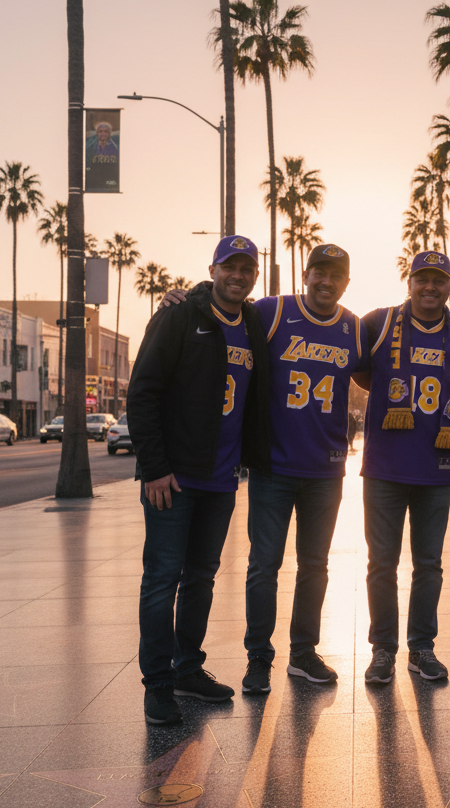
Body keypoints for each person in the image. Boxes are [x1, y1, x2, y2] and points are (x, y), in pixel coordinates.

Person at [161, 243, 366, 694]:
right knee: (263, 565)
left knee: (315, 565)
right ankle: (259, 657)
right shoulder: (271, 313)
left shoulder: (354, 328)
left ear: (346, 282)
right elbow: (223, 301)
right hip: (273, 467)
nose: (326, 282)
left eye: (336, 275)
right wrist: (186, 292)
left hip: (327, 470)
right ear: (305, 274)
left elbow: (383, 370)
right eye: (319, 273)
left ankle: (303, 652)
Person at [128, 234, 270, 725]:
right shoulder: (179, 315)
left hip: (222, 478)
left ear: (255, 276)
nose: (237, 275)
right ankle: (158, 684)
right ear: (212, 270)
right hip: (174, 478)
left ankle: (188, 668)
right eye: (229, 266)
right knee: (162, 579)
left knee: (201, 579)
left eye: (246, 268)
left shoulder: (252, 321)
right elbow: (142, 392)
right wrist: (154, 467)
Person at [357, 251, 450, 685]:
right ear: (408, 282)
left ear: (449, 286)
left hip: (435, 466)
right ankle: (383, 649)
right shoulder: (379, 322)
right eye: (422, 279)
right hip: (386, 467)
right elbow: (346, 354)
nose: (430, 287)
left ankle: (421, 647)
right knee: (381, 563)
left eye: (439, 280)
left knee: (429, 563)